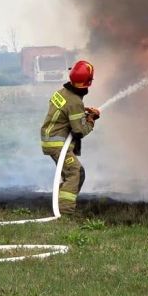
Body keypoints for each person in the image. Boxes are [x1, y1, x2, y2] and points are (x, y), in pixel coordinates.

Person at [40, 59, 100, 215]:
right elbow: (79, 131)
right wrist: (91, 120)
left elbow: (66, 111)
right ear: (87, 83)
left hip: (50, 140)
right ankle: (65, 213)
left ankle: (58, 205)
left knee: (70, 174)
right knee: (75, 173)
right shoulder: (74, 102)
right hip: (58, 144)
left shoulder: (62, 93)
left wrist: (83, 112)